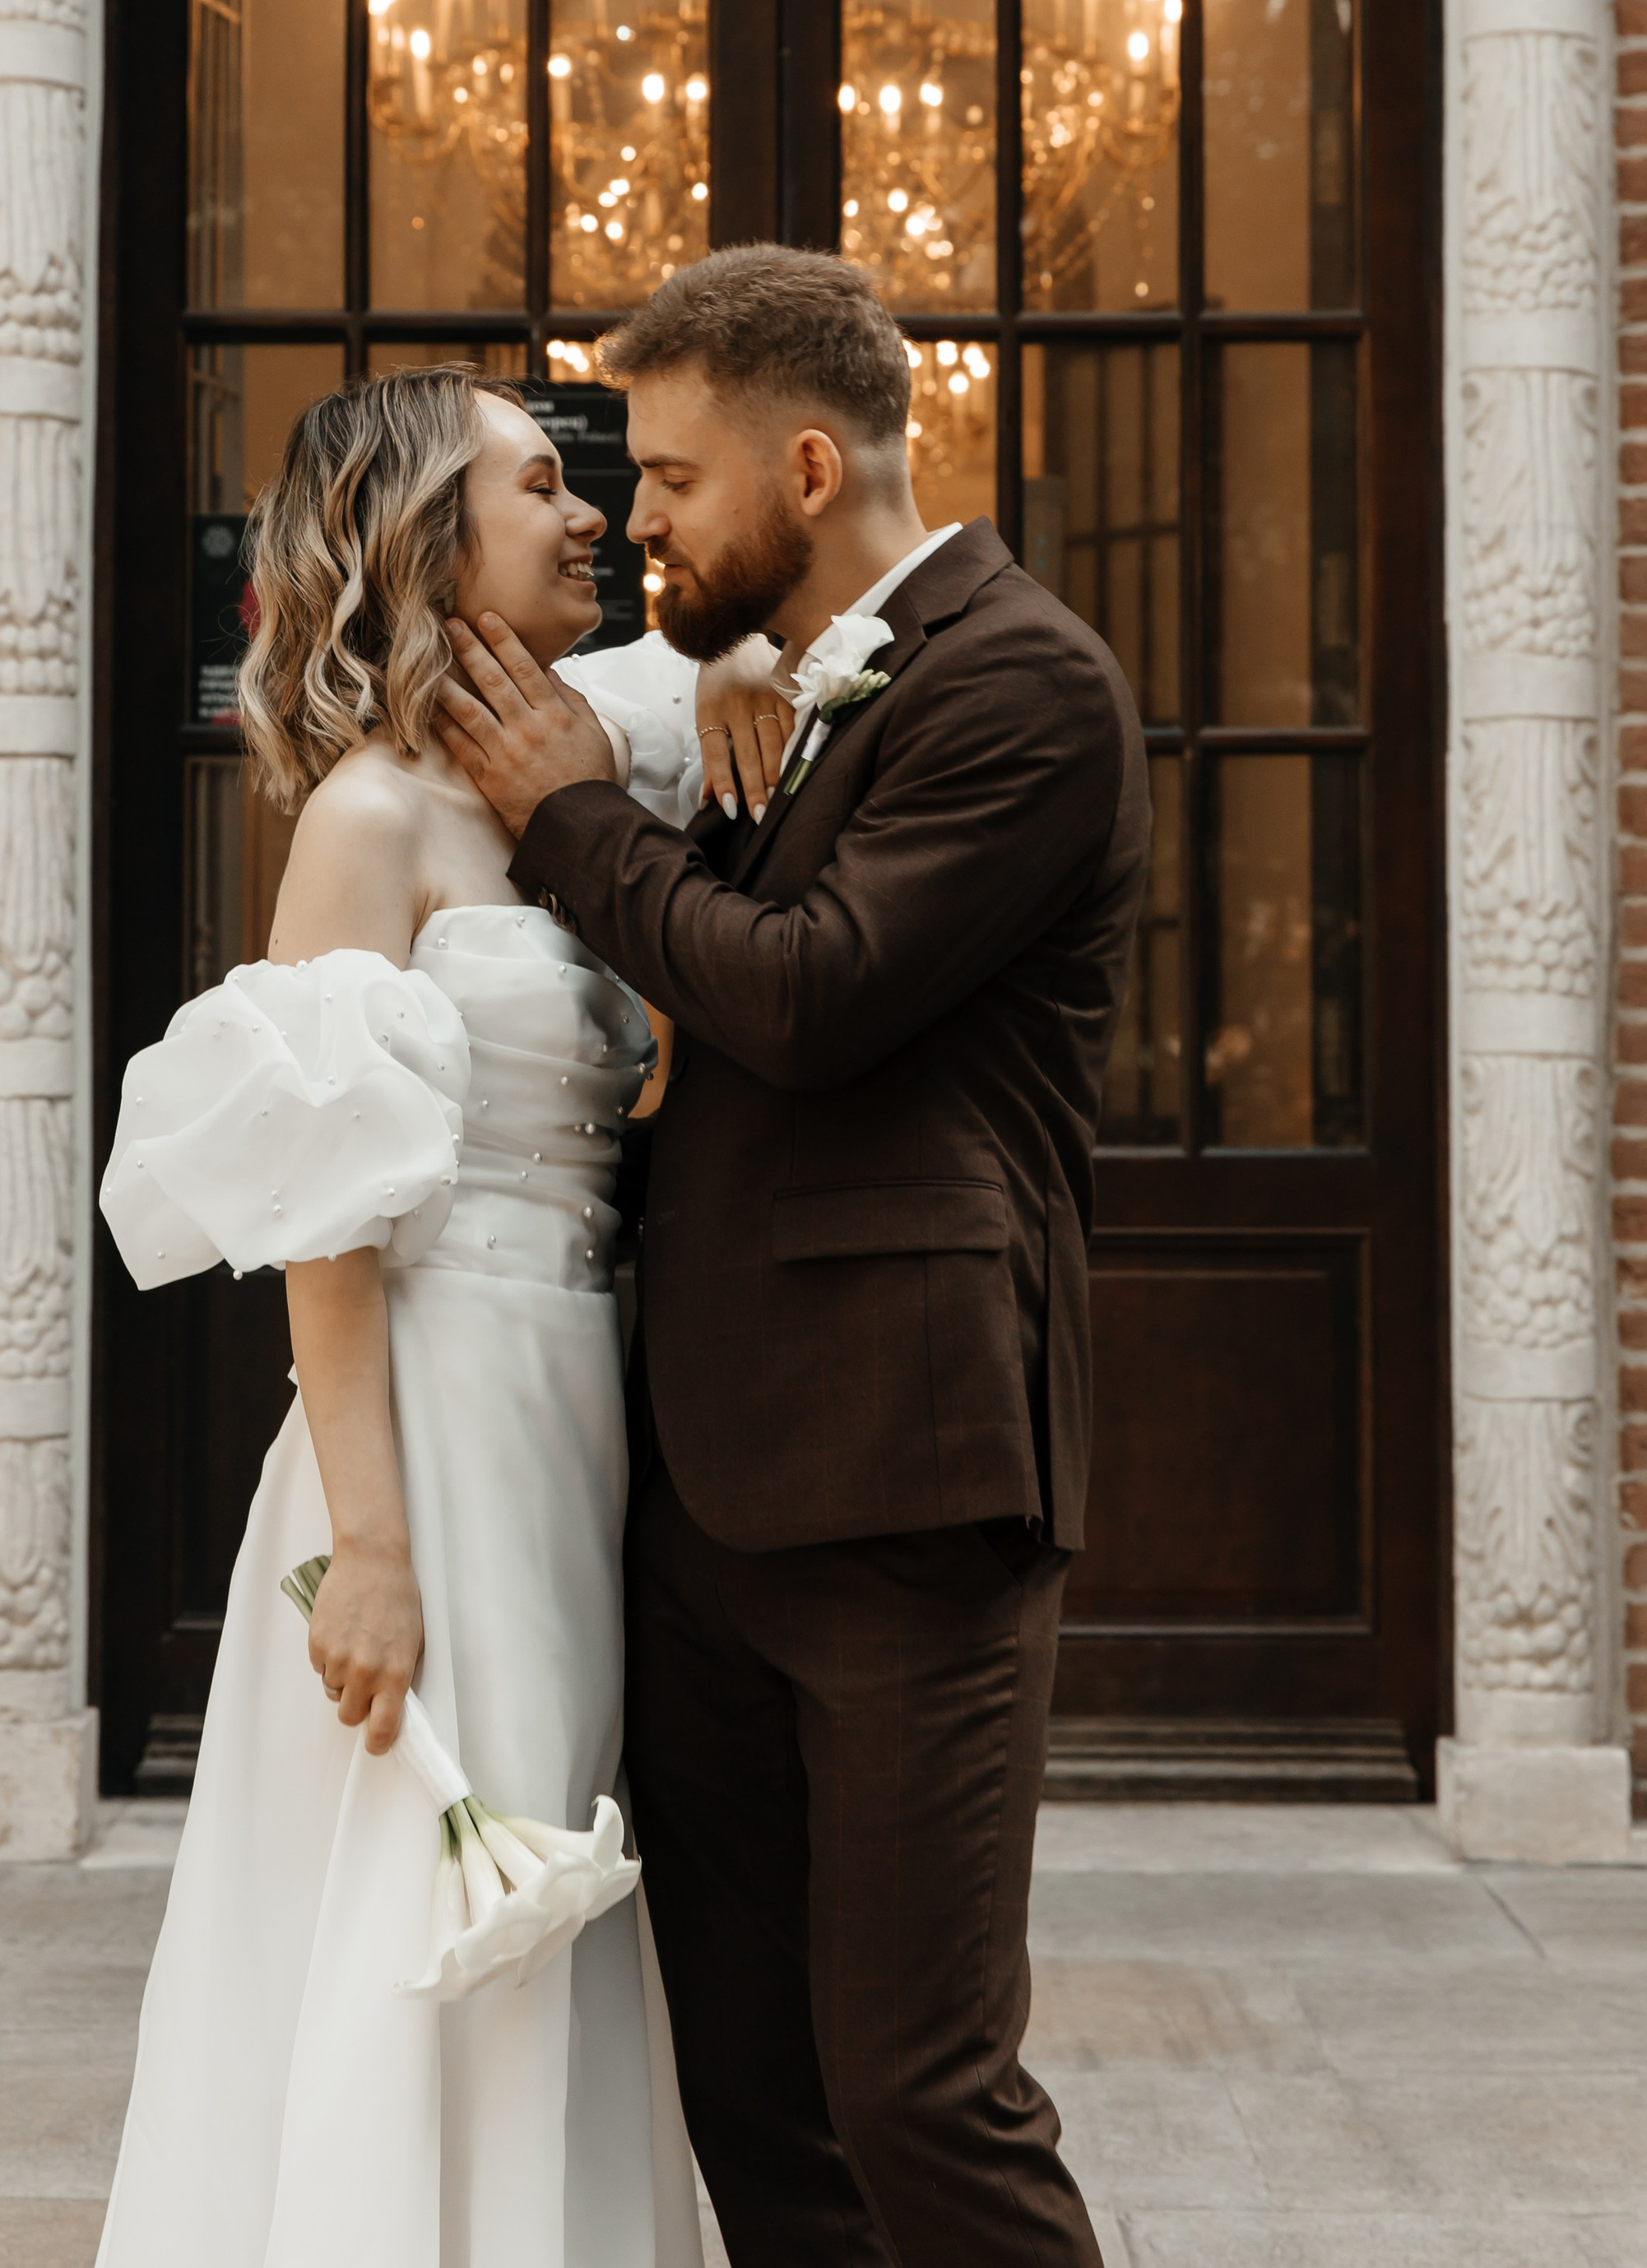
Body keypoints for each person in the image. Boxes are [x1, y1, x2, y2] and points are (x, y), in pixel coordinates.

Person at [434, 244, 1149, 2268]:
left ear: (808, 469)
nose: (639, 516)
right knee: (753, 2089)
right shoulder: (783, 679)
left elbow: (810, 995)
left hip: (905, 1481)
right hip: (702, 1491)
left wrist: (577, 824)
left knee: (919, 2087)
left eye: (670, 476)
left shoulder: (1023, 686)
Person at [91, 367, 706, 2268]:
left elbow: (741, 677)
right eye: (539, 485)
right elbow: (328, 1221)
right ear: (431, 542)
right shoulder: (366, 819)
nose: (591, 513)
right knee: (450, 1865)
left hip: (574, 1409)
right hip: (429, 1428)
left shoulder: (578, 773)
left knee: (564, 1846)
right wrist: (368, 1549)